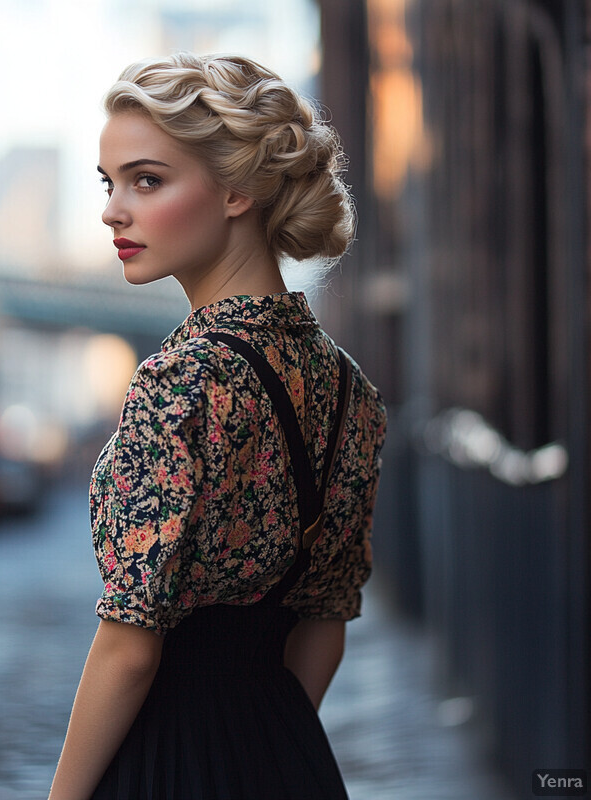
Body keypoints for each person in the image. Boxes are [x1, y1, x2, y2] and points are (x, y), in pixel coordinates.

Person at [48, 52, 386, 800]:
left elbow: (130, 651)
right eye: (110, 184)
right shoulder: (349, 389)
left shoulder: (181, 383)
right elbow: (323, 627)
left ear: (238, 190)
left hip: (165, 760)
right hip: (288, 755)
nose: (112, 210)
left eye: (147, 180)